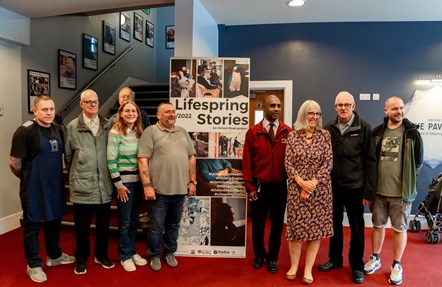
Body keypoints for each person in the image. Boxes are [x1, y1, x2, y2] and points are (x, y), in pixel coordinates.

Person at [9, 95, 75, 283]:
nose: (48, 113)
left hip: (55, 186)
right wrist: (30, 179)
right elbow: (14, 163)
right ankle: (33, 265)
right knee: (32, 226)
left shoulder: (57, 129)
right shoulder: (25, 131)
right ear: (35, 110)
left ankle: (54, 256)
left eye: (51, 109)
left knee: (55, 221)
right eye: (44, 109)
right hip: (34, 188)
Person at [363, 96, 423, 286]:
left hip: (401, 194)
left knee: (399, 229)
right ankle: (375, 257)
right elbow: (370, 162)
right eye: (394, 108)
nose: (399, 111)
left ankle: (396, 265)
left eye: (401, 108)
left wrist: (407, 182)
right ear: (386, 111)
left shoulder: (412, 133)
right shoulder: (378, 132)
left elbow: (418, 162)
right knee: (377, 226)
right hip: (379, 192)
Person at [318, 91, 377, 284]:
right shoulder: (328, 128)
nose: (343, 108)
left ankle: (357, 266)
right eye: (339, 105)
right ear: (335, 107)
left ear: (354, 106)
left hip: (355, 187)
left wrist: (368, 192)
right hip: (333, 187)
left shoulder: (364, 128)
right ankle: (335, 260)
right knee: (334, 227)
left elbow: (370, 161)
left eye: (347, 105)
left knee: (357, 229)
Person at [138, 102, 197, 272]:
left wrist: (192, 181)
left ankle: (170, 252)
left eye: (173, 111)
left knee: (173, 225)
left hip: (180, 190)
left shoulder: (183, 132)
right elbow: (143, 159)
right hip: (158, 191)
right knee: (156, 227)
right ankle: (155, 255)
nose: (171, 114)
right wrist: (147, 185)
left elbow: (191, 157)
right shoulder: (150, 132)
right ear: (158, 115)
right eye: (167, 112)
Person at [64, 89, 114, 275]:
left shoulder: (107, 125)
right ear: (82, 104)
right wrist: (80, 173)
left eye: (95, 101)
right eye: (88, 102)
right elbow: (68, 158)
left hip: (104, 186)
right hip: (83, 187)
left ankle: (101, 255)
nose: (93, 104)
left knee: (103, 226)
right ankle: (81, 258)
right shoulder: (72, 127)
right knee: (82, 228)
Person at [284, 100, 333, 284]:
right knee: (296, 231)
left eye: (317, 114)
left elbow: (328, 163)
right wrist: (301, 183)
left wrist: (311, 185)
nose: (314, 117)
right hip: (297, 190)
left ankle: (307, 269)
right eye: (310, 113)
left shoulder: (325, 135)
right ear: (303, 115)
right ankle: (294, 266)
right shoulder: (292, 136)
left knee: (315, 231)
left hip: (320, 191)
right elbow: (288, 163)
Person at [242, 95, 292, 274]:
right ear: (265, 107)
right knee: (257, 223)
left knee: (278, 224)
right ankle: (259, 255)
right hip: (259, 186)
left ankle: (272, 257)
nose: (276, 109)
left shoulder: (288, 131)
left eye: (278, 105)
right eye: (272, 106)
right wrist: (250, 187)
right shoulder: (253, 132)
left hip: (280, 186)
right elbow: (247, 162)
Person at [107, 101, 148, 272]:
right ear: (121, 114)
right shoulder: (115, 132)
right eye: (127, 111)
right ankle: (124, 256)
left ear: (138, 114)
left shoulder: (140, 132)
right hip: (124, 184)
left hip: (139, 182)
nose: (131, 113)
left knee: (133, 220)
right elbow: (111, 160)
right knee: (124, 221)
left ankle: (132, 251)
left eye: (134, 111)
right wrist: (119, 185)